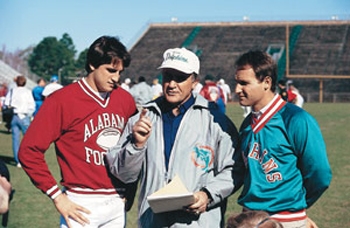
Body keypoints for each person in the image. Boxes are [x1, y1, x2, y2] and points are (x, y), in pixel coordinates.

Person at [106, 47, 239, 228]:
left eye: (180, 78)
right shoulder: (142, 117)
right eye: (168, 76)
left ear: (194, 81)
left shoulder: (216, 121)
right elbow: (123, 174)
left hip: (198, 222)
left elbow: (235, 169)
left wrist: (207, 195)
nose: (172, 84)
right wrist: (136, 145)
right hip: (153, 222)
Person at [18, 36, 137, 228]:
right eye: (111, 70)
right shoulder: (61, 100)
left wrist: (130, 192)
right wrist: (57, 197)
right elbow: (29, 150)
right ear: (92, 64)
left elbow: (135, 150)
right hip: (80, 202)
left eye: (120, 72)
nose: (116, 78)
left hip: (117, 200)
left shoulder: (125, 100)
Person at [233, 50, 332, 228]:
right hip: (250, 219)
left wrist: (296, 206)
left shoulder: (297, 120)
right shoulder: (247, 124)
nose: (237, 89)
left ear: (266, 82)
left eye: (244, 83)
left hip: (286, 221)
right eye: (237, 83)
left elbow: (320, 174)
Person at [4, 75, 35, 168]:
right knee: (29, 139)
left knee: (15, 139)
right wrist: (29, 115)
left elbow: (6, 103)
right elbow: (31, 106)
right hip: (24, 116)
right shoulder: (27, 92)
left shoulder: (12, 91)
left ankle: (18, 161)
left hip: (14, 116)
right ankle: (28, 158)